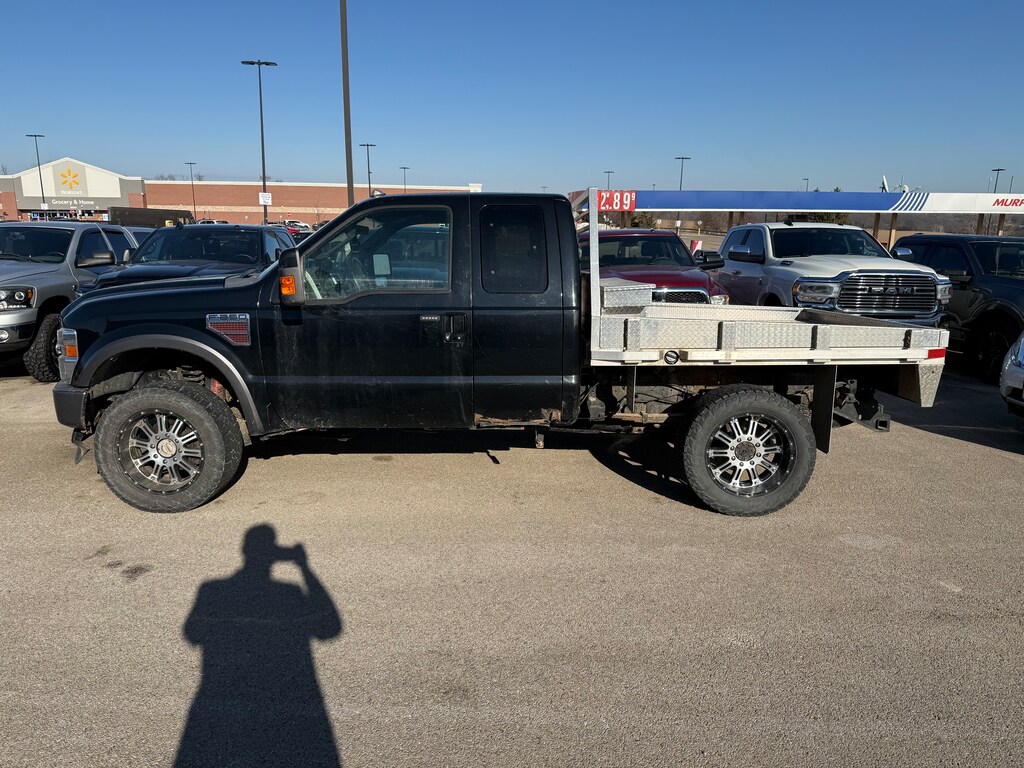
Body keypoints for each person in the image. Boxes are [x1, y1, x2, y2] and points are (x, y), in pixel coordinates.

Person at [175, 524, 343, 767]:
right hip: (285, 692)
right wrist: (304, 567)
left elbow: (192, 634)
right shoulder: (290, 592)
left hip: (222, 691)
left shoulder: (212, 590)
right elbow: (330, 628)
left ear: (243, 551)